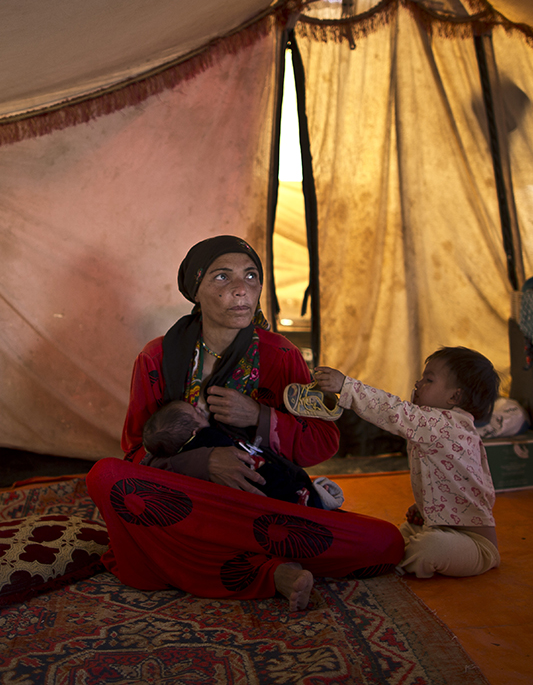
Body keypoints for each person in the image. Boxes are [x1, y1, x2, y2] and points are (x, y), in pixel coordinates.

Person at [86, 235, 403, 610]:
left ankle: (210, 559)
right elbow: (136, 453)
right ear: (196, 290)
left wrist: (260, 417)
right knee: (104, 477)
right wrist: (203, 463)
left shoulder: (280, 355)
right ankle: (270, 572)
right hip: (194, 502)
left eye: (251, 277)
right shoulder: (157, 357)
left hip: (262, 509)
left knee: (386, 542)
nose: (241, 289)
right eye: (222, 277)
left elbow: (322, 442)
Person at [311, 346, 501, 578]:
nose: (417, 384)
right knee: (394, 536)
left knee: (430, 547)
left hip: (475, 545)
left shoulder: (446, 425)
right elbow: (454, 479)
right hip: (437, 526)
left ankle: (384, 563)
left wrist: (346, 386)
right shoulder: (436, 426)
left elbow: (393, 411)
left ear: (454, 396)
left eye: (428, 380)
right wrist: (426, 507)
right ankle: (387, 554)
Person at [141, 400, 342, 509]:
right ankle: (309, 500)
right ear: (195, 433)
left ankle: (310, 498)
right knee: (272, 484)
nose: (201, 411)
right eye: (197, 414)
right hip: (252, 475)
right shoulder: (208, 438)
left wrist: (257, 415)